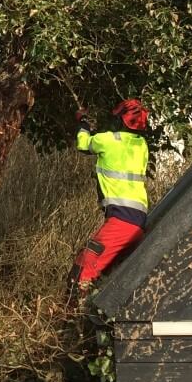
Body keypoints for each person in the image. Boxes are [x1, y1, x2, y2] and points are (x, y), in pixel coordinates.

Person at [70, 98, 151, 293]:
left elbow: (83, 144)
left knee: (83, 268)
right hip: (139, 222)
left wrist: (83, 123)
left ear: (121, 120)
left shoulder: (105, 140)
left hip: (121, 220)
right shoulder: (142, 146)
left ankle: (71, 317)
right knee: (110, 279)